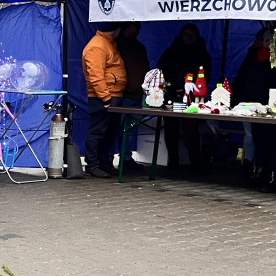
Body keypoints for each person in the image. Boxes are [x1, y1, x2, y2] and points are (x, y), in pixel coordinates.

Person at [231, 26, 276, 191]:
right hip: (256, 105)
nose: (269, 44)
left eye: (273, 41)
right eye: (267, 40)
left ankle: (274, 175)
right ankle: (260, 171)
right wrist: (238, 100)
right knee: (259, 138)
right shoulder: (255, 56)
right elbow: (243, 79)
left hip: (273, 106)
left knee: (272, 139)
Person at [157, 23, 211, 171]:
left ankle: (195, 162)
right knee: (171, 128)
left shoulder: (202, 54)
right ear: (181, 36)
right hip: (172, 95)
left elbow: (206, 75)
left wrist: (195, 89)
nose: (189, 38)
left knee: (191, 130)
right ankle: (173, 160)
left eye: (192, 35)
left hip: (193, 97)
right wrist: (171, 87)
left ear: (196, 37)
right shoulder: (171, 52)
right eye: (186, 35)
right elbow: (161, 72)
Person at [81, 20, 126, 177]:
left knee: (109, 132)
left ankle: (102, 163)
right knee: (97, 131)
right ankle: (92, 165)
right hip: (103, 97)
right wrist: (106, 99)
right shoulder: (97, 46)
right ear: (116, 29)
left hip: (112, 95)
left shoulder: (107, 43)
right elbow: (96, 76)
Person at [117, 21, 150, 170]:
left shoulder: (139, 47)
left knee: (129, 129)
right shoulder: (117, 46)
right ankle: (115, 159)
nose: (133, 31)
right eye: (131, 28)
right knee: (119, 128)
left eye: (136, 28)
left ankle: (126, 158)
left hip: (136, 94)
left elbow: (146, 69)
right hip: (122, 94)